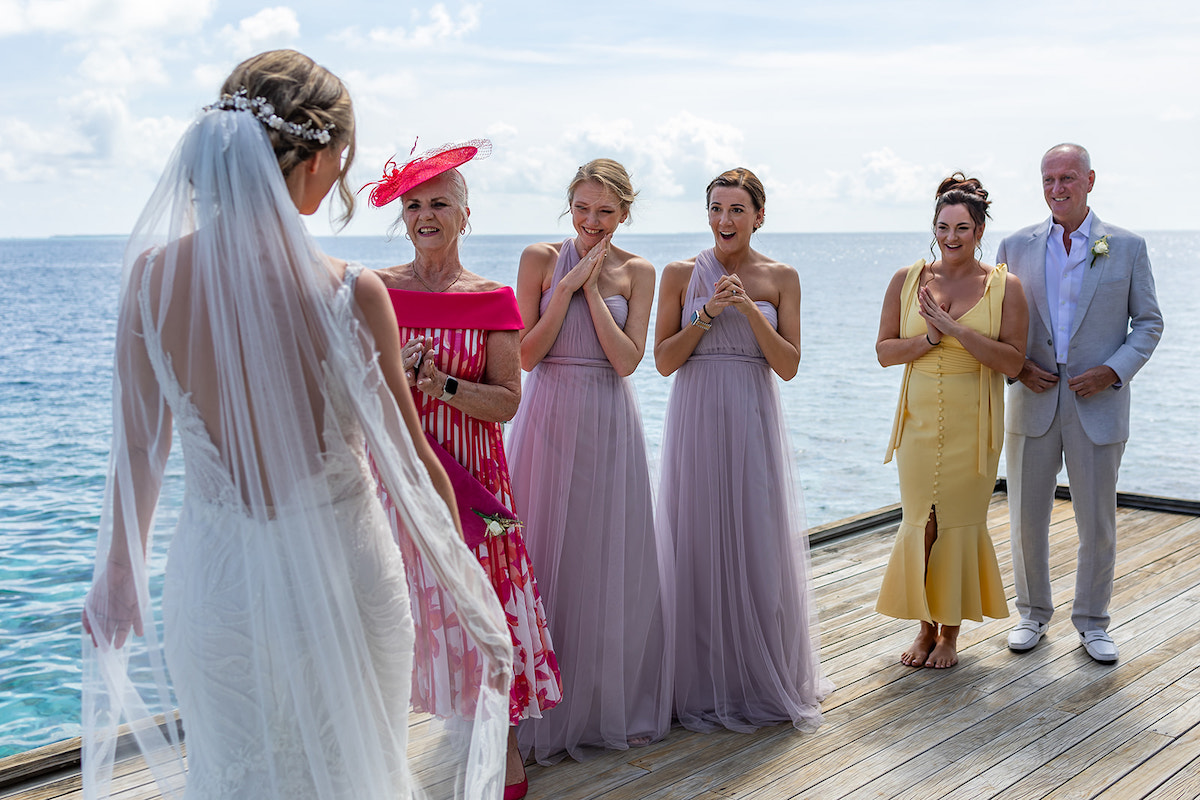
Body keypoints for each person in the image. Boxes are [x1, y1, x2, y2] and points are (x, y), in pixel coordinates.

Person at [80, 50, 512, 799]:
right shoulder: (351, 292)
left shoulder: (150, 282)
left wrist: (118, 576)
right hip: (348, 579)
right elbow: (413, 464)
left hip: (218, 586)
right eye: (342, 161)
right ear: (313, 162)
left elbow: (139, 453)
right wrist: (473, 592)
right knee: (359, 773)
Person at [365, 141, 562, 799]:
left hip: (472, 483)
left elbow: (507, 401)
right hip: (394, 481)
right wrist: (392, 373)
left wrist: (442, 383)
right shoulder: (377, 292)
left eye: (440, 203)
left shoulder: (492, 298)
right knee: (391, 616)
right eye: (415, 205)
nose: (426, 215)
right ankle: (380, 765)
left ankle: (503, 759)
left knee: (486, 614)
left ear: (465, 214)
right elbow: (350, 386)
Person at [653, 166, 830, 733]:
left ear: (758, 216)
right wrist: (706, 314)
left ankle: (755, 677)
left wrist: (748, 308)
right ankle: (695, 683)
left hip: (753, 412)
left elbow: (790, 365)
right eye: (715, 208)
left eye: (736, 210)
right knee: (696, 539)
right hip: (696, 411)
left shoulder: (782, 276)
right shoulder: (679, 273)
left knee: (758, 537)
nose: (724, 220)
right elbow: (662, 361)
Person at [508, 159, 671, 762]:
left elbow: (628, 361)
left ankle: (601, 702)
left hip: (607, 415)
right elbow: (526, 354)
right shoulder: (535, 258)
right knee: (543, 555)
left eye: (606, 211)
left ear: (625, 213)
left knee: (603, 558)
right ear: (568, 206)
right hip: (547, 412)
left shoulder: (638, 270)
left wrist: (595, 293)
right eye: (582, 208)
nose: (593, 221)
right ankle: (533, 706)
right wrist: (568, 286)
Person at [999, 144, 1163, 664]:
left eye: (1067, 178)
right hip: (1033, 397)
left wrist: (1113, 370)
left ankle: (1093, 622)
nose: (1056, 189)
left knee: (1097, 520)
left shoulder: (1127, 247)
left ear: (1090, 180)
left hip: (1098, 402)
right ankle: (1032, 614)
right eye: (1048, 180)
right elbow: (998, 325)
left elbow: (1150, 323)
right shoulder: (1014, 245)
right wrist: (1019, 367)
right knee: (1027, 517)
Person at [875, 174, 1028, 669]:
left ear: (980, 229)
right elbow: (884, 352)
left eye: (962, 227)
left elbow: (1012, 362)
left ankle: (950, 635)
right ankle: (923, 628)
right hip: (918, 417)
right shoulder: (907, 279)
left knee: (959, 523)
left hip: (974, 421)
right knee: (922, 522)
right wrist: (929, 341)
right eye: (943, 226)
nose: (951, 237)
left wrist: (955, 329)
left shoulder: (1006, 287)